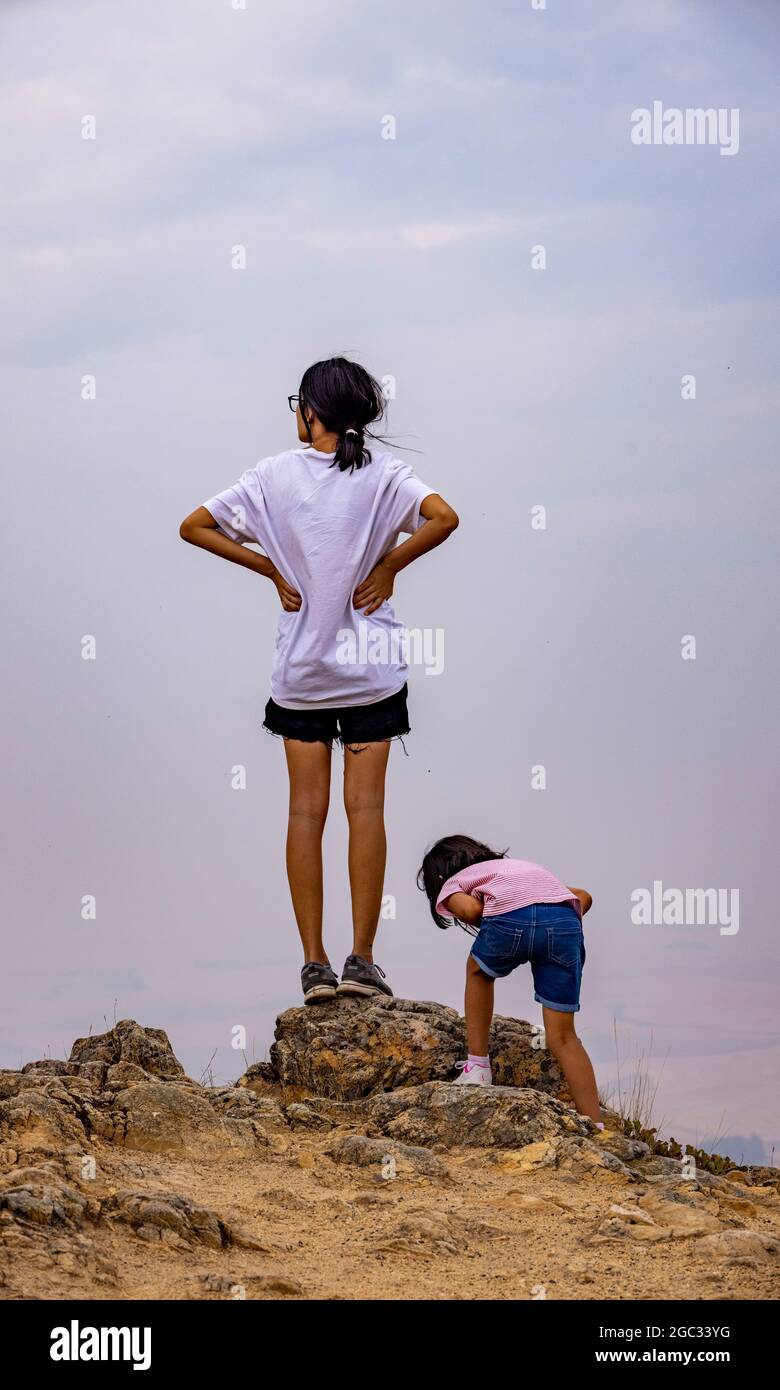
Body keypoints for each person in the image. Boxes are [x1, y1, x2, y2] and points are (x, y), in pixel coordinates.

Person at [181, 357, 458, 1004]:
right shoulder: (386, 475)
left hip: (301, 675)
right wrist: (390, 565)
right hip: (371, 675)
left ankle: (314, 967)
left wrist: (271, 572)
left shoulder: (271, 476)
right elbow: (444, 518)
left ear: (312, 411)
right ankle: (363, 960)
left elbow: (193, 526)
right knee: (367, 812)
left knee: (306, 814)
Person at [418, 834, 601, 1122]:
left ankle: (477, 1066)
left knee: (477, 971)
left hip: (509, 920)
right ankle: (596, 1122)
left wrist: (503, 922)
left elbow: (472, 910)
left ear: (439, 875)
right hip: (564, 921)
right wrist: (549, 925)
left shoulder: (455, 881)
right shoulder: (520, 868)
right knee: (564, 1036)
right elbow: (582, 897)